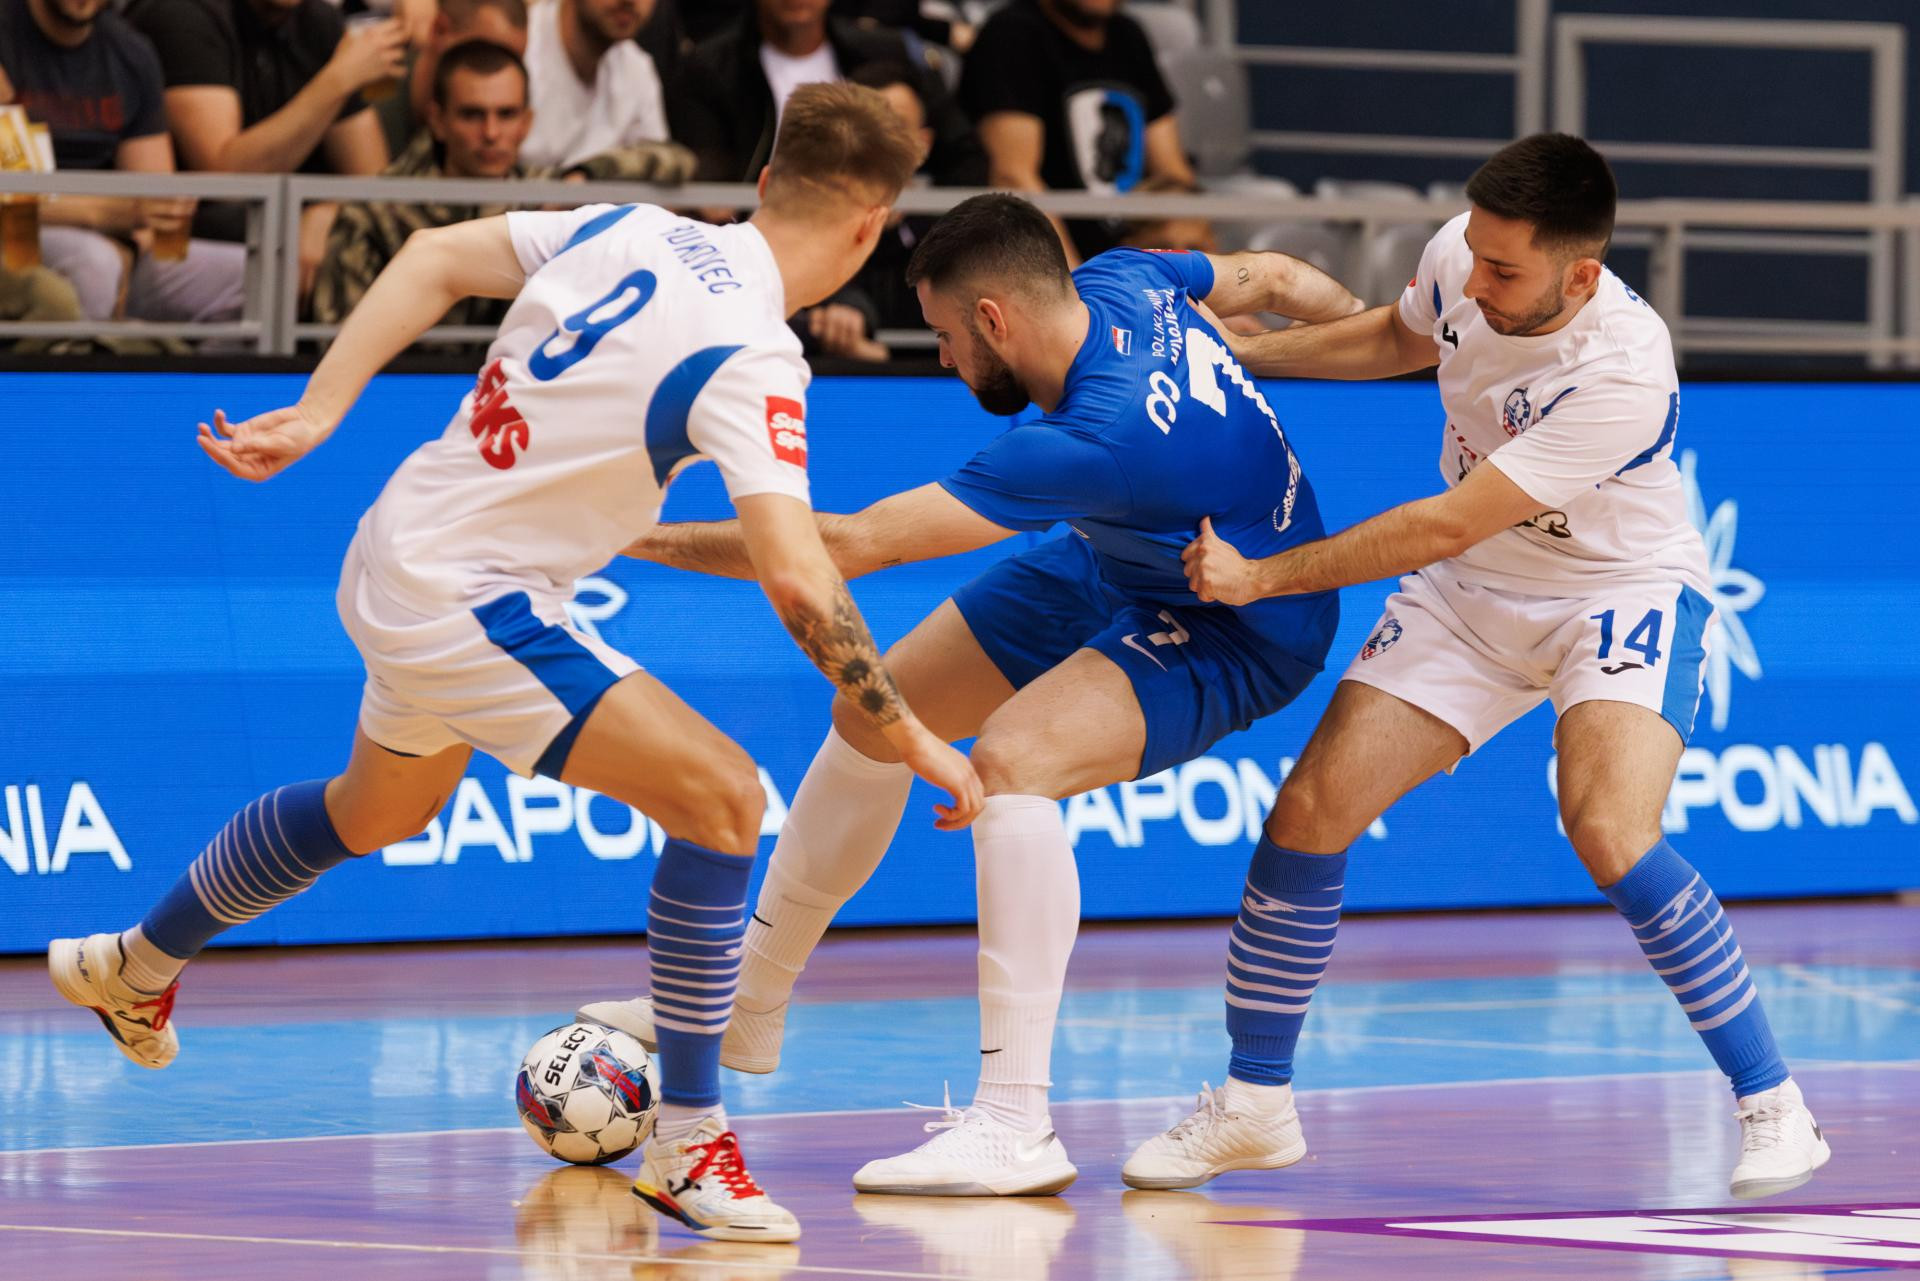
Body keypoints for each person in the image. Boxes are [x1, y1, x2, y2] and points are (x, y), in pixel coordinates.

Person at [46, 81, 978, 1243]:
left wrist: (321, 410)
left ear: (760, 184)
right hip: (468, 597)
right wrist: (913, 735)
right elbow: (799, 579)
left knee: (376, 810)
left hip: (397, 543)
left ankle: (133, 964)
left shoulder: (634, 226)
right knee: (725, 800)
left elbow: (433, 254)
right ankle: (690, 1145)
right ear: (870, 229)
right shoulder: (756, 352)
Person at [576, 191, 1363, 1196]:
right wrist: (1385, 340)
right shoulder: (1126, 276)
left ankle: (1015, 1124)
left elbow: (848, 544)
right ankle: (750, 1005)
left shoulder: (1091, 437)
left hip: (1242, 620)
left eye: (947, 336)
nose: (944, 359)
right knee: (874, 710)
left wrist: (623, 533)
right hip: (1120, 548)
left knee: (1012, 764)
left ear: (995, 317)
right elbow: (1281, 277)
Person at [1125, 133, 1830, 1201]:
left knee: (1608, 827)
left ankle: (1773, 1104)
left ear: (1579, 275)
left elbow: (1445, 522)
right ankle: (1254, 1103)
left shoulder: (1623, 369)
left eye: (1507, 270)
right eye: (1478, 257)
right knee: (1309, 811)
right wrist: (1249, 354)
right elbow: (1400, 337)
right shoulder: (1466, 250)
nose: (1480, 279)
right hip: (1473, 594)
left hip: (1616, 590)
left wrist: (1261, 577)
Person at [311, 39, 693, 326]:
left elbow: (677, 160)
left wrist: (584, 175)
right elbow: (338, 337)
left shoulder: (548, 194)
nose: (491, 133)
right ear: (437, 121)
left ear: (526, 123)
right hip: (403, 392)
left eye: (506, 114)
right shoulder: (374, 212)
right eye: (472, 115)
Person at [126, 0, 402, 293]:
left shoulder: (318, 20)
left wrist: (331, 212)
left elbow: (373, 183)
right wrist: (338, 80)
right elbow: (225, 181)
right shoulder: (181, 13)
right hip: (188, 246)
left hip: (283, 242)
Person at [0, 0, 246, 324]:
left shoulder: (130, 50)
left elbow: (156, 200)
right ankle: (83, 356)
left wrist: (134, 239)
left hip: (118, 240)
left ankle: (157, 356)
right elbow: (14, 199)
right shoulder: (8, 33)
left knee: (251, 276)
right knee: (94, 263)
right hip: (24, 235)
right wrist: (112, 214)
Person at [959, 0, 1195, 266]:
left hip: (1128, 267)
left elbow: (1173, 175)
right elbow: (1013, 178)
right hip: (1043, 269)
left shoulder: (1128, 35)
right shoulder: (1012, 32)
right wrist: (1074, 283)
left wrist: (1199, 274)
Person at [670, 0, 982, 189]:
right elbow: (709, 174)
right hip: (758, 235)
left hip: (882, 249)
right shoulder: (711, 66)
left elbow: (962, 152)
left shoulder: (885, 52)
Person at [519, 0, 670, 172]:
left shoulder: (637, 67)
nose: (630, 2)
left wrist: (592, 172)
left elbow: (663, 162)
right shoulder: (516, 39)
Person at [371, 0, 528, 159]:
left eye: (515, 63)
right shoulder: (373, 98)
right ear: (440, 30)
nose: (491, 132)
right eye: (484, 58)